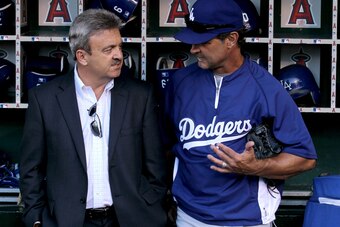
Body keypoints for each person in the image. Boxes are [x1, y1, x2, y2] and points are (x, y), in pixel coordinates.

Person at [163, 0, 318, 226]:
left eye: (202, 42)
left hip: (247, 219)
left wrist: (257, 167)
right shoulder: (180, 83)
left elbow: (305, 159)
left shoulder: (266, 88)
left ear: (231, 39)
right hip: (189, 216)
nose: (193, 49)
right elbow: (167, 146)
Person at [19, 9, 168, 227]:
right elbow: (30, 168)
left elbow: (156, 165)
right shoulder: (45, 99)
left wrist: (152, 207)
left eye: (119, 46)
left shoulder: (140, 96)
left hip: (130, 219)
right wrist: (36, 218)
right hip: (67, 221)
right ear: (82, 56)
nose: (119, 55)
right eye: (108, 49)